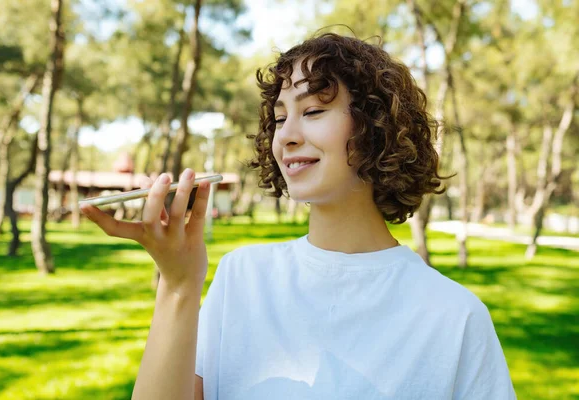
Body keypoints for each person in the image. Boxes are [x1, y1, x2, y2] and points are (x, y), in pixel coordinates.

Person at [80, 32, 516, 400]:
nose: (286, 136)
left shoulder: (455, 317)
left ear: (375, 127)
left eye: (312, 112)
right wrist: (177, 285)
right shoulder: (241, 276)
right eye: (279, 117)